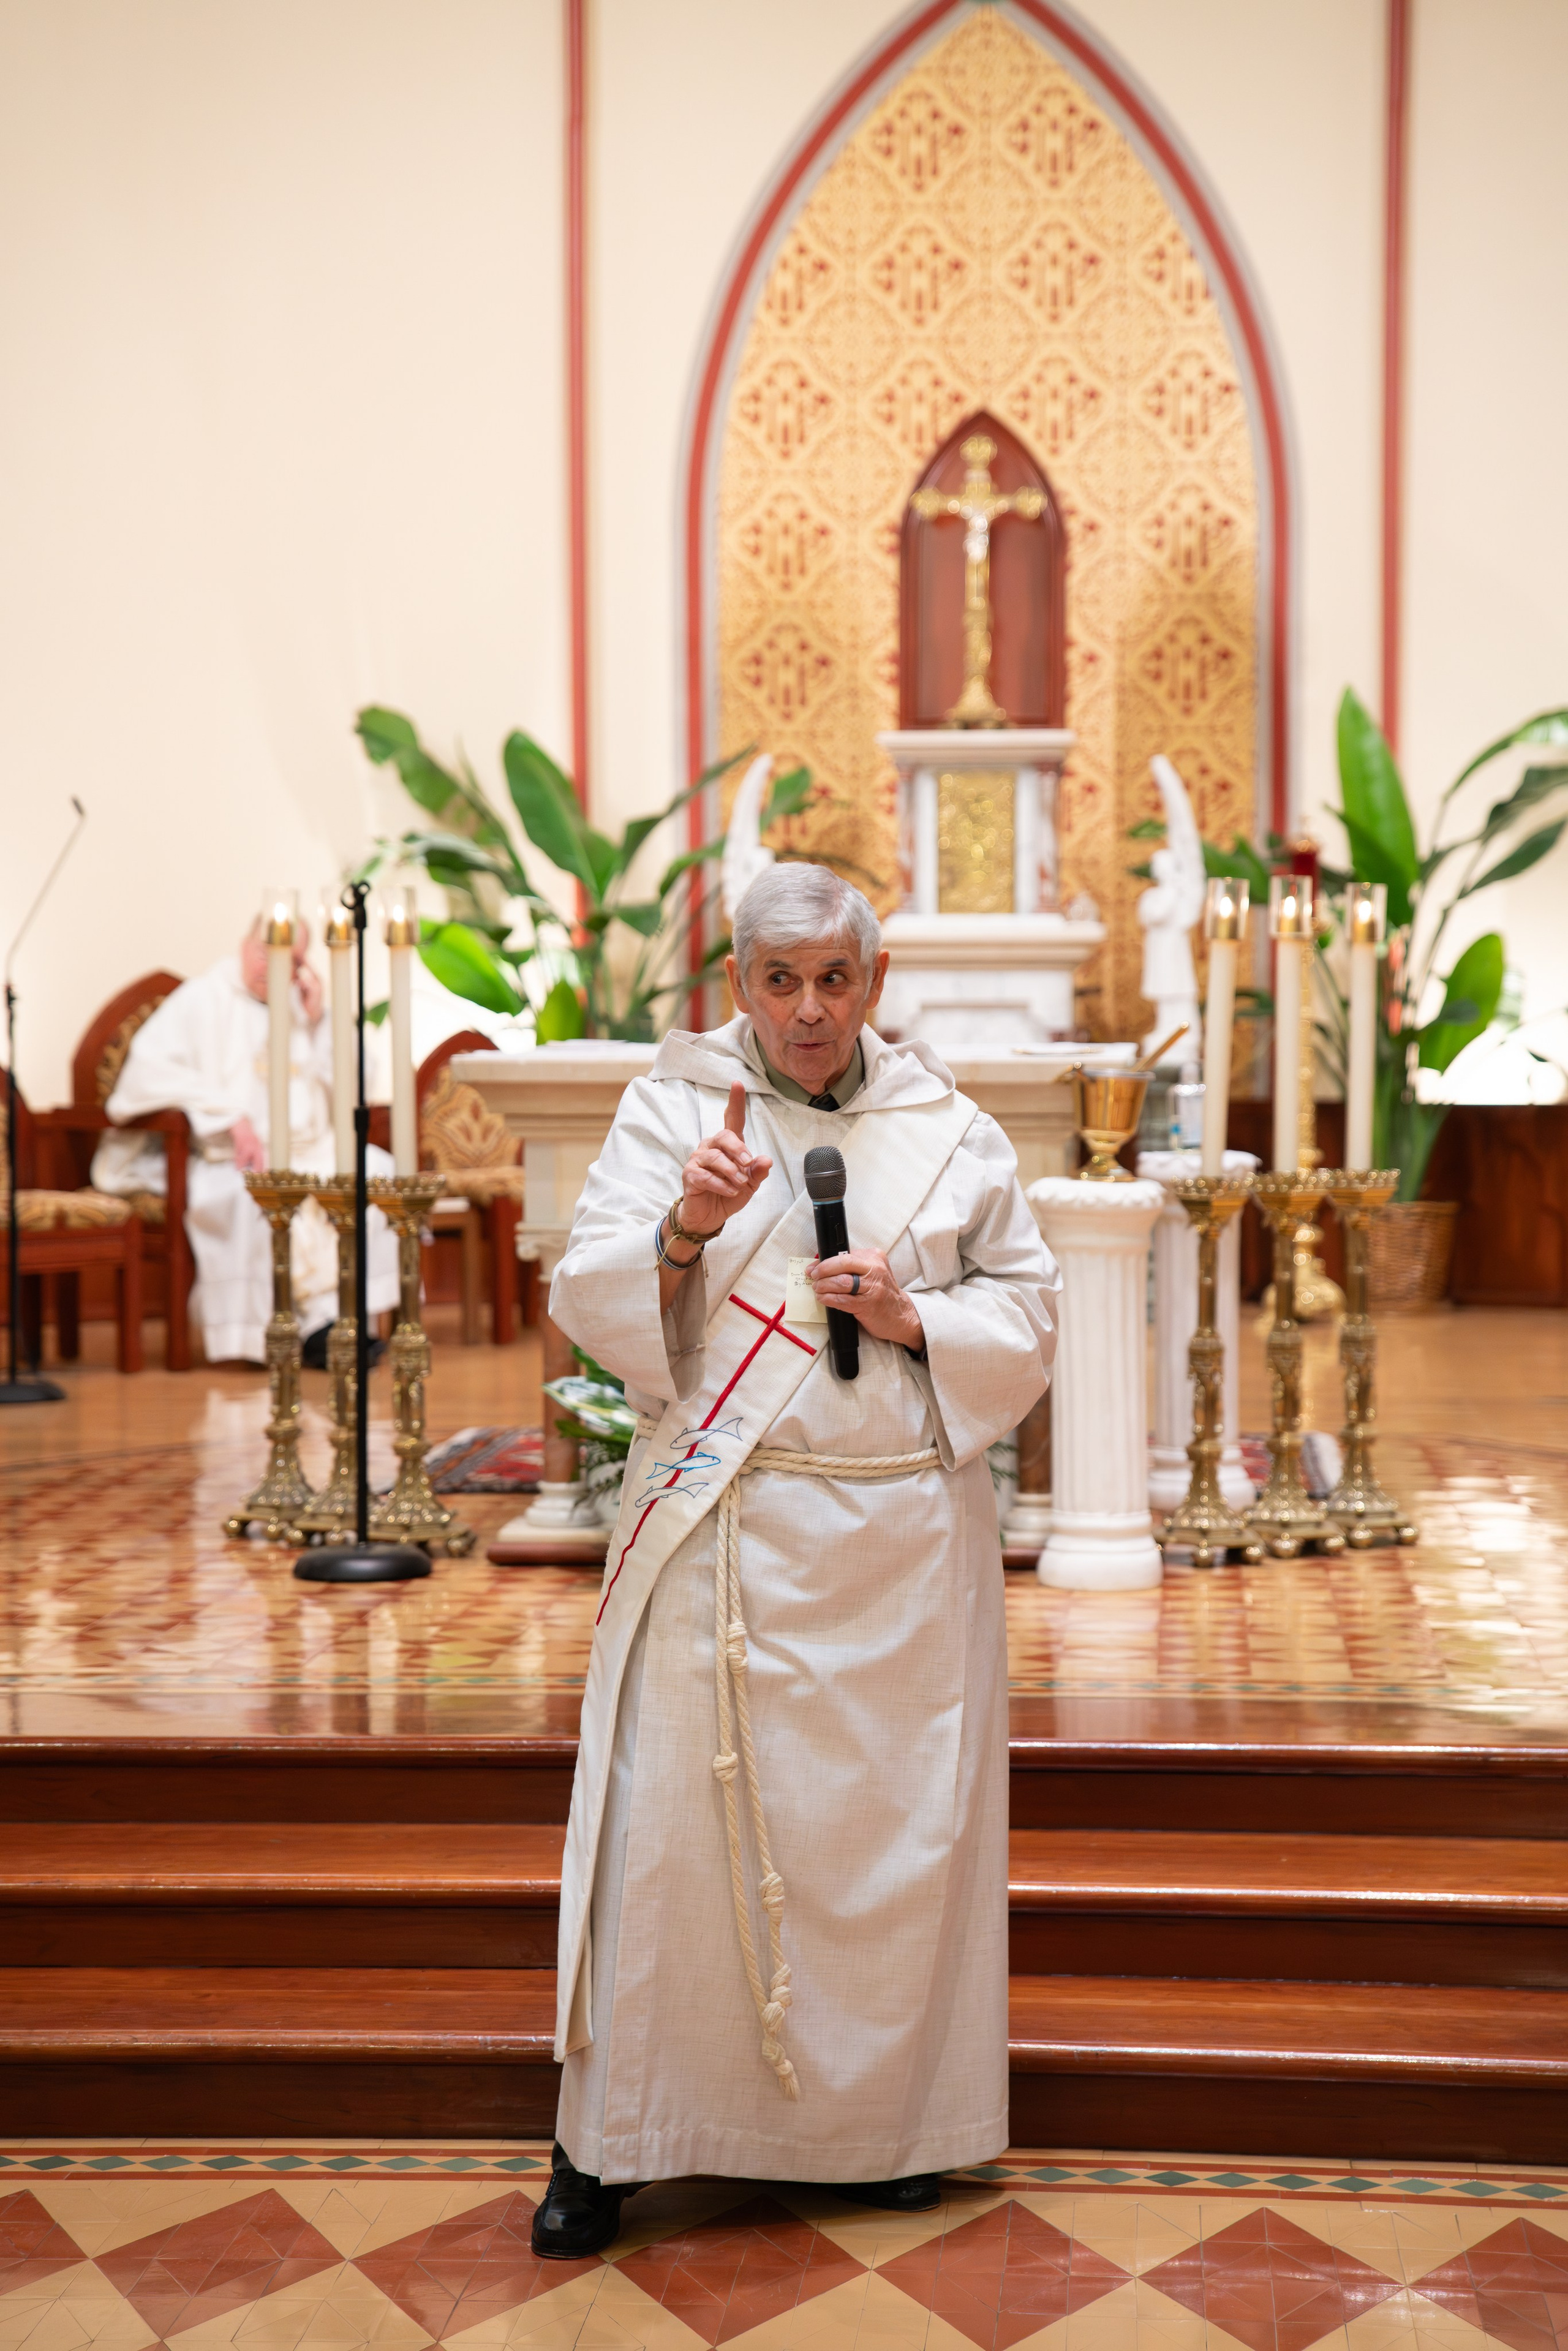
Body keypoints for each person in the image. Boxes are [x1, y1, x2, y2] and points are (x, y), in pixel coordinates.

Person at [532, 863, 1058, 2258]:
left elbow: (1027, 1310)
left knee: (886, 1852)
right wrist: (685, 1227)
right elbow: (587, 1289)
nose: (808, 1008)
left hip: (895, 1554)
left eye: (834, 977)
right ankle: (615, 2144)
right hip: (726, 1528)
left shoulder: (950, 1133)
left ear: (871, 982)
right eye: (780, 980)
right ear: (741, 985)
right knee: (666, 1842)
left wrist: (909, 1314)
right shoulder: (674, 1107)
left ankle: (873, 2132)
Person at [91, 923, 398, 1364]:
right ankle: (280, 1334)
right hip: (229, 1156)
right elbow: (145, 1077)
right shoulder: (203, 999)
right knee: (260, 1197)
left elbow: (356, 1088)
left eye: (290, 959)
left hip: (312, 1148)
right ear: (244, 946)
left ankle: (344, 1322)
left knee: (378, 1174)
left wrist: (320, 1024)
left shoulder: (304, 1009)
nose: (271, 966)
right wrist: (228, 1117)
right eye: (263, 951)